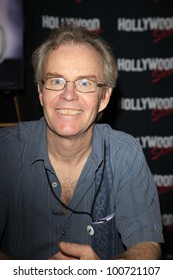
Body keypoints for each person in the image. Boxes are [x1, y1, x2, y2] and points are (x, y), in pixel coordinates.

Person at [0, 22, 164, 260]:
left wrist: (105, 274)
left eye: (85, 83)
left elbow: (147, 247)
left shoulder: (125, 153)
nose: (68, 95)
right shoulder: (5, 151)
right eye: (56, 81)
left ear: (104, 97)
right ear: (40, 92)